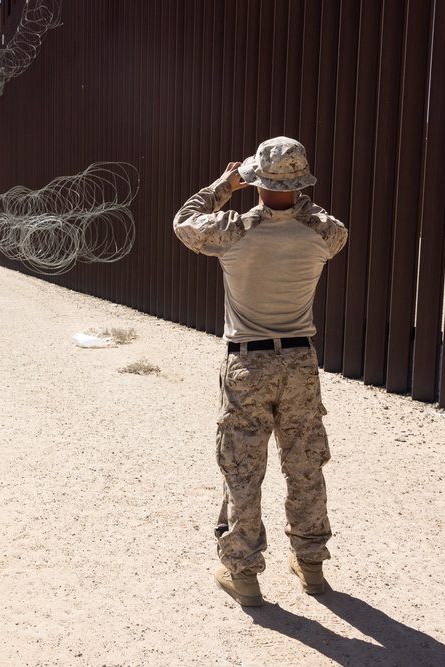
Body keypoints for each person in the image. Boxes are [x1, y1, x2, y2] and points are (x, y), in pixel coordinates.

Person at [172, 137, 348, 607]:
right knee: (305, 463)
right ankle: (311, 566)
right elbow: (320, 218)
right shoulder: (324, 232)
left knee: (243, 469)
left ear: (256, 181)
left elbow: (184, 221)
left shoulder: (232, 231)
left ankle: (244, 575)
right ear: (303, 181)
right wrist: (290, 196)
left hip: (248, 363)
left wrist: (227, 184)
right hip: (300, 363)